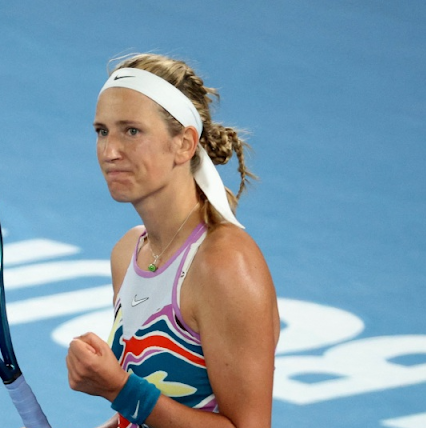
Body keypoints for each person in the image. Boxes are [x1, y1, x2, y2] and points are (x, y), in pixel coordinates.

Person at [66, 53, 280, 428]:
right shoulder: (128, 253)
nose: (110, 151)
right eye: (102, 131)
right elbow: (141, 417)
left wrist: (120, 389)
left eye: (132, 131)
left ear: (183, 144)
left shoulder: (225, 264)